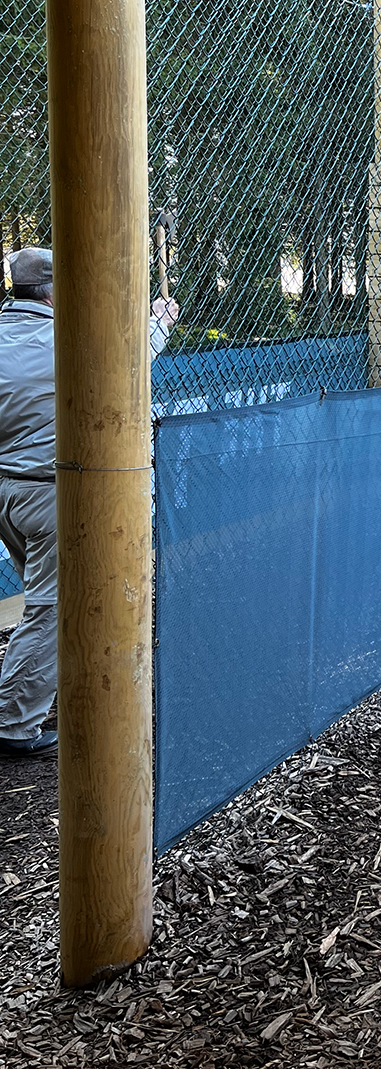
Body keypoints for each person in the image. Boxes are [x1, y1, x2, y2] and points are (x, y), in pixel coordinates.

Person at [0, 247, 178, 758]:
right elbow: (126, 358)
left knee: (53, 603)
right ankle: (13, 724)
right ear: (55, 292)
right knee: (52, 610)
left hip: (7, 496)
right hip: (48, 499)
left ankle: (53, 683)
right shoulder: (64, 339)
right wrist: (159, 321)